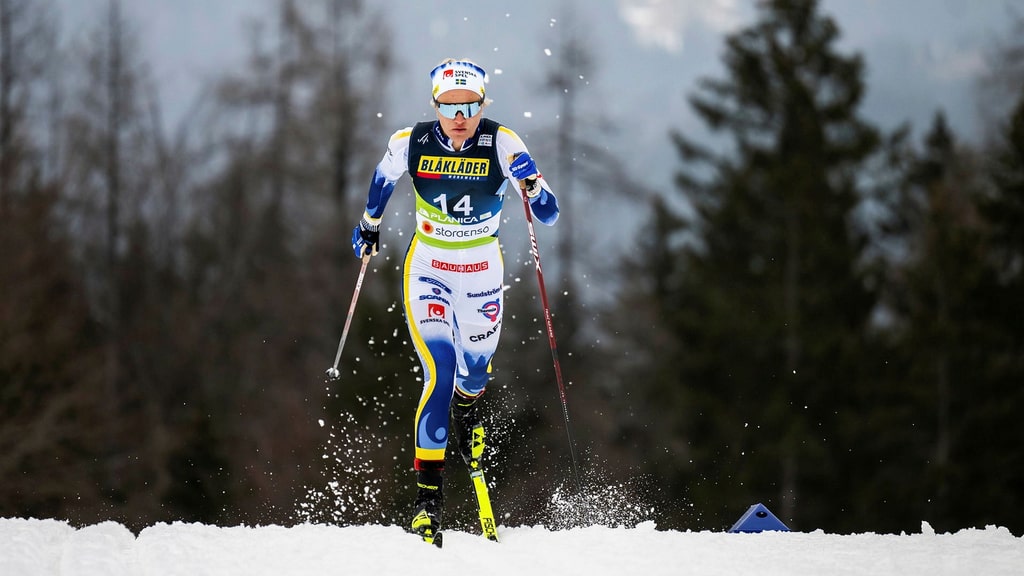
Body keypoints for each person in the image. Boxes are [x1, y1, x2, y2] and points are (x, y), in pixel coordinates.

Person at [351, 58, 559, 542]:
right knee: (439, 372)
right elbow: (383, 177)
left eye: (469, 106)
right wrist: (368, 224)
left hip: (482, 274)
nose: (459, 117)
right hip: (429, 270)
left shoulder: (503, 143)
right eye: (449, 107)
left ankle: (468, 410)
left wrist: (531, 184)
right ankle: (428, 502)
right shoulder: (412, 142)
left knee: (474, 375)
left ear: (483, 104)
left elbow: (548, 214)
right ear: (435, 106)